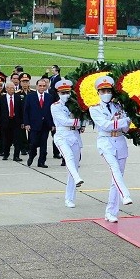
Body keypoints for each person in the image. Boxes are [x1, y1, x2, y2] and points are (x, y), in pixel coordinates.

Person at [89, 76, 134, 222]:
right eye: (103, 91)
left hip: (120, 141)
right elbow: (105, 125)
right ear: (98, 92)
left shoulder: (119, 107)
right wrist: (124, 120)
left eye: (108, 90)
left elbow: (126, 128)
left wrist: (126, 120)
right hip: (106, 141)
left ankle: (111, 212)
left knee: (116, 178)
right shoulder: (94, 109)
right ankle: (125, 195)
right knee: (114, 169)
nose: (106, 93)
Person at [50, 79, 85, 208]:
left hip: (74, 136)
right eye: (63, 92)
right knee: (68, 158)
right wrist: (78, 122)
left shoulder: (76, 105)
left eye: (67, 92)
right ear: (58, 93)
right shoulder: (55, 106)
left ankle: (69, 198)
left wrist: (81, 122)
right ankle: (77, 178)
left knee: (73, 166)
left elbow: (83, 119)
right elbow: (64, 121)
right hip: (62, 136)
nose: (66, 95)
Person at [23, 77, 53, 168]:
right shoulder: (30, 96)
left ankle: (41, 162)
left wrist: (52, 124)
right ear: (36, 86)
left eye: (44, 86)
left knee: (44, 144)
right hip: (33, 124)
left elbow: (52, 112)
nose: (42, 88)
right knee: (33, 143)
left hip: (45, 125)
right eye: (40, 86)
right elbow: (26, 111)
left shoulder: (49, 97)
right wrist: (26, 123)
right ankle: (32, 155)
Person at [0, 81, 23, 161]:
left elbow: (21, 111)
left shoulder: (18, 98)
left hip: (16, 121)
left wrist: (23, 122)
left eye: (13, 88)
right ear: (6, 89)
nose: (12, 89)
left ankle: (16, 156)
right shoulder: (1, 99)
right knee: (6, 139)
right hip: (5, 122)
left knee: (17, 139)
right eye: (10, 88)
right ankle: (6, 154)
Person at [48, 65, 63, 160]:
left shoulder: (58, 79)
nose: (51, 70)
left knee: (56, 134)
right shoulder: (52, 78)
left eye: (53, 68)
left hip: (53, 104)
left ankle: (56, 152)